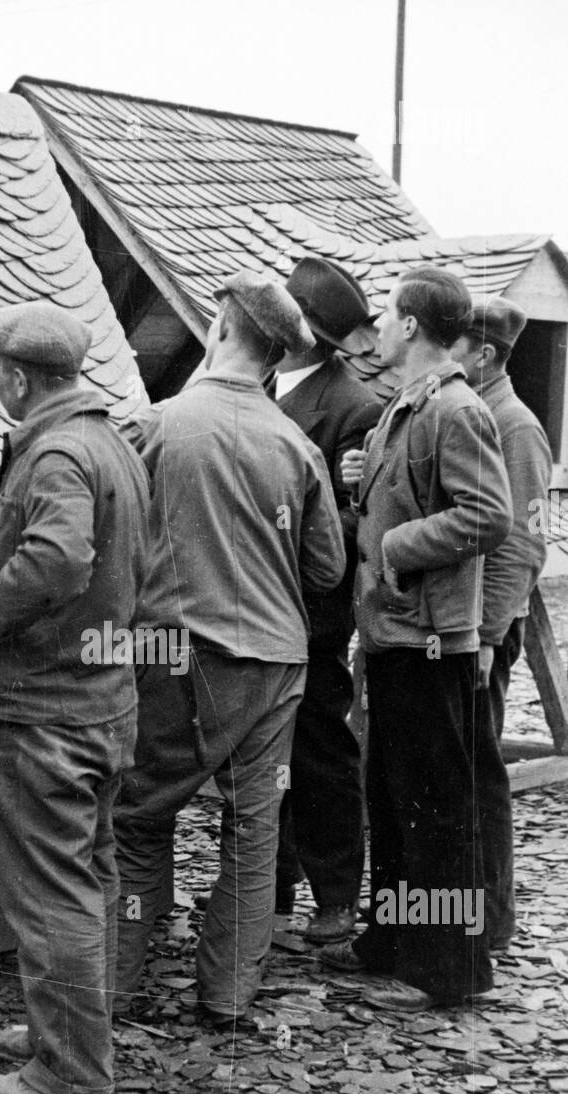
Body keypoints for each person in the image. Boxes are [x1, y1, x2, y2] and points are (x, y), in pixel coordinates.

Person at [113, 270, 346, 1028]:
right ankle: (226, 998)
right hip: (275, 666)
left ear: (217, 331)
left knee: (139, 817)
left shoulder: (156, 426)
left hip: (176, 657)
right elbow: (326, 570)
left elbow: (106, 541)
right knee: (252, 831)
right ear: (277, 360)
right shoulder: (295, 445)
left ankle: (114, 985)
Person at [0, 301, 149, 1094]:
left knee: (49, 894)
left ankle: (69, 1070)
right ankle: (65, 1031)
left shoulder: (58, 452)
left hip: (43, 714)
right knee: (86, 878)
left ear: (19, 376)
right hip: (99, 705)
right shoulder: (110, 442)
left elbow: (59, 558)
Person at [329, 266, 512, 1010]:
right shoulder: (407, 406)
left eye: (386, 314)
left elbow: (487, 514)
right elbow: (414, 490)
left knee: (435, 813)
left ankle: (444, 970)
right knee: (395, 798)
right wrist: (358, 479)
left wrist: (399, 545)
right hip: (395, 636)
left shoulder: (454, 408)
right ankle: (391, 941)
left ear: (410, 325)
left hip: (431, 642)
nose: (376, 324)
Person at [273, 257, 382, 943]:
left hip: (310, 617)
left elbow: (354, 524)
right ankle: (266, 898)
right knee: (256, 762)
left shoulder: (352, 407)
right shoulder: (252, 382)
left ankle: (336, 899)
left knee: (319, 754)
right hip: (246, 612)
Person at [452, 296, 553, 954]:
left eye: (455, 344)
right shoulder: (477, 413)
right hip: (465, 627)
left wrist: (486, 635)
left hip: (482, 630)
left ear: (483, 354)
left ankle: (487, 921)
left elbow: (523, 545)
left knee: (477, 775)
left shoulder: (513, 427)